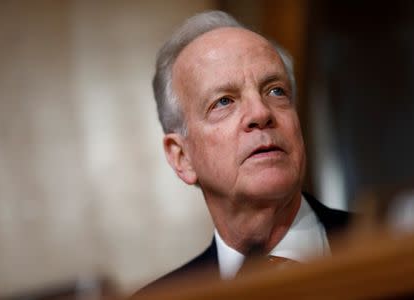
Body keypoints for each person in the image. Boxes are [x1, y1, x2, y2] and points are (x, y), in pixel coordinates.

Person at [138, 10, 351, 294]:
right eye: (224, 101)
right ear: (182, 157)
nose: (261, 113)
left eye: (275, 91)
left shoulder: (392, 244)